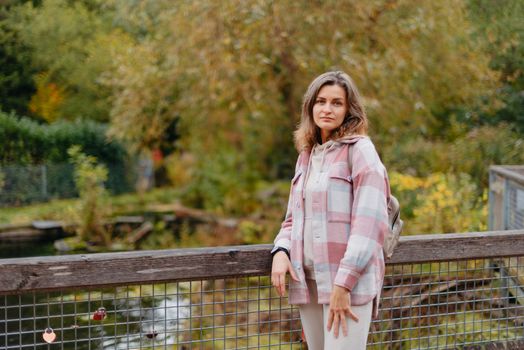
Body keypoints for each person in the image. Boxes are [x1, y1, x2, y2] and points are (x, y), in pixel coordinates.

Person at [271, 71, 391, 349]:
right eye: (321, 101)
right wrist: (280, 250)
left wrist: (343, 284)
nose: (327, 109)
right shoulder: (307, 155)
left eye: (337, 103)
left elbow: (370, 224)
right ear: (310, 106)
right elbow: (292, 220)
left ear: (349, 109)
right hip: (308, 281)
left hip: (348, 284)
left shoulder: (361, 151)